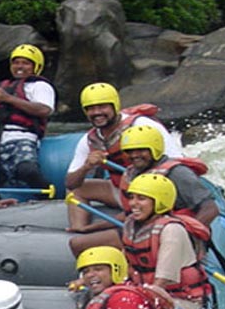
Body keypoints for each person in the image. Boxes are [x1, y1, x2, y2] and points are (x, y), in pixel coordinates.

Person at [68, 125, 219, 256]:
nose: (134, 155)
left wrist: (183, 236)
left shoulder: (178, 173)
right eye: (130, 151)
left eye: (141, 151)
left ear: (155, 148)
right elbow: (130, 215)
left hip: (165, 232)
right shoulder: (133, 172)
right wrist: (90, 228)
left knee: (79, 244)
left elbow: (210, 208)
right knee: (78, 242)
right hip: (140, 229)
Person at [65, 82, 182, 233]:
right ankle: (78, 230)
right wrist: (86, 167)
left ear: (115, 106)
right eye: (91, 109)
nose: (96, 112)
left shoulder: (143, 125)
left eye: (102, 107)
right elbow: (70, 183)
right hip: (122, 190)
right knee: (77, 190)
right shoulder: (89, 139)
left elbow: (176, 164)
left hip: (153, 193)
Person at [119, 174, 212, 309]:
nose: (133, 203)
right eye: (132, 197)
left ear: (159, 202)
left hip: (183, 302)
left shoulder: (171, 230)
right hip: (147, 295)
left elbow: (161, 282)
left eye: (141, 199)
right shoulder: (130, 226)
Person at [0, 44, 55, 201]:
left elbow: (44, 110)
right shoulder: (4, 87)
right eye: (16, 62)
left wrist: (8, 98)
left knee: (27, 170)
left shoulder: (39, 86)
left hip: (22, 136)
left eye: (25, 63)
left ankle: (48, 196)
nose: (19, 67)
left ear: (36, 66)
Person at [38, 246, 173, 309]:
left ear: (116, 270)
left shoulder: (124, 299)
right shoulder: (107, 297)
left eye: (98, 269)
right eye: (86, 271)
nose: (90, 275)